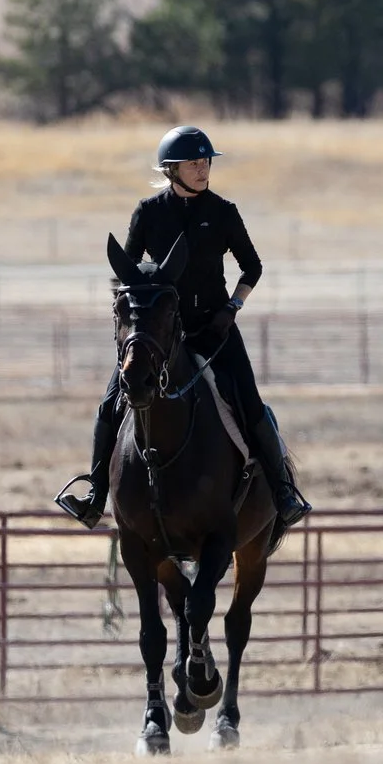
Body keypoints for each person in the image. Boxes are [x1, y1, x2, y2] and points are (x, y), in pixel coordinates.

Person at [55, 125, 311, 532]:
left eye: (206, 161)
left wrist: (232, 308)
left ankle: (282, 491)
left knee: (250, 402)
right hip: (159, 334)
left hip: (215, 330)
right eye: (194, 163)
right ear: (171, 169)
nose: (203, 168)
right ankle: (95, 494)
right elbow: (127, 272)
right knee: (110, 404)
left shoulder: (223, 212)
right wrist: (137, 318)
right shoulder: (148, 212)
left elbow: (253, 267)